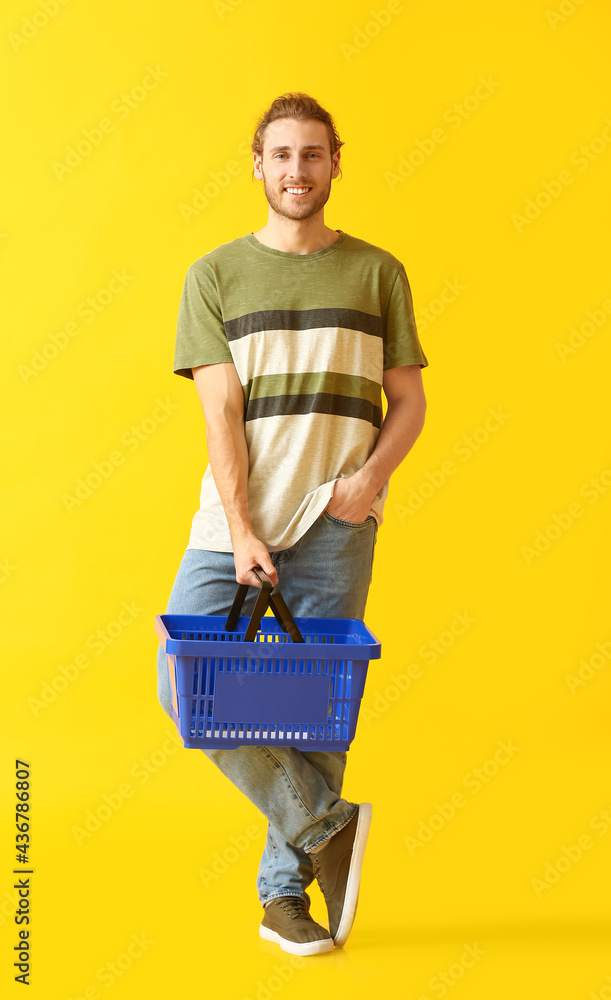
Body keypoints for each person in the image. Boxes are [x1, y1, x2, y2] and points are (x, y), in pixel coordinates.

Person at [156, 91, 428, 956]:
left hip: (337, 524)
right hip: (233, 523)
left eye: (313, 154)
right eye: (282, 155)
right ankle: (326, 827)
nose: (296, 170)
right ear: (257, 163)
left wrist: (368, 481)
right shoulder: (215, 275)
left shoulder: (377, 271)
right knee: (180, 682)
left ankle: (285, 899)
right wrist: (241, 531)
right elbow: (220, 414)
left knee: (316, 713)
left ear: (335, 162)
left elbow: (411, 401)